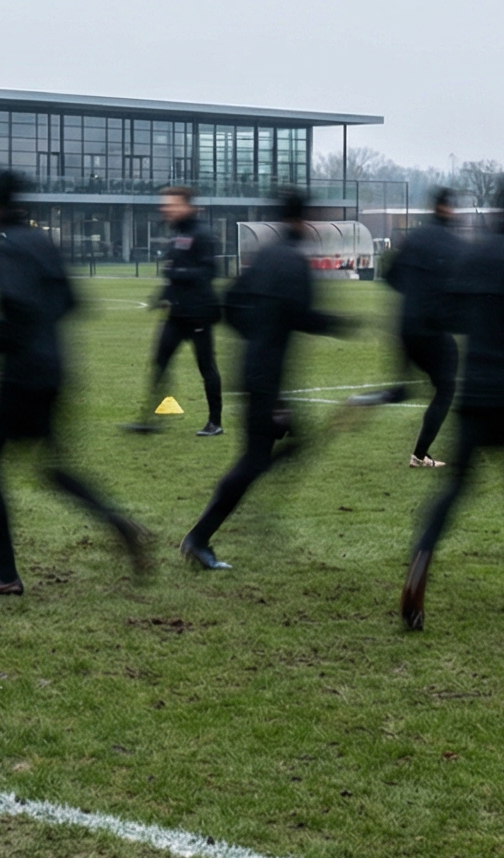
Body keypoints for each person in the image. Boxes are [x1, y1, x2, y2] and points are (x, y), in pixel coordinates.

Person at [0, 170, 150, 595]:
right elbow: (74, 302)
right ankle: (118, 523)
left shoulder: (4, 246)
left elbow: (17, 308)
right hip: (57, 368)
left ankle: (6, 575)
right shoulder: (44, 241)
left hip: (22, 373)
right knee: (54, 469)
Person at [402, 175, 504, 629]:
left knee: (454, 487)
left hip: (473, 387)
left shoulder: (475, 250)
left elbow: (444, 311)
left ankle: (422, 556)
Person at [178, 188, 351, 571]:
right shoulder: (293, 263)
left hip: (257, 371)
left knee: (282, 447)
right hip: (266, 378)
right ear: (299, 221)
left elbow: (230, 304)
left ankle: (225, 514)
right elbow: (302, 317)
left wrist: (256, 338)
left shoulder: (264, 257)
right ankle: (200, 537)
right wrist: (341, 324)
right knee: (255, 461)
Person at [347, 186, 463, 467]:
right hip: (432, 328)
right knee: (445, 389)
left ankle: (366, 399)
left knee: (403, 389)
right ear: (446, 208)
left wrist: (415, 295)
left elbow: (390, 277)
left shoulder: (414, 238)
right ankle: (420, 455)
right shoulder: (454, 243)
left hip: (404, 326)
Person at [121, 186, 225, 437]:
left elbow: (209, 271)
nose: (165, 208)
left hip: (199, 313)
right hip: (176, 314)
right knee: (160, 361)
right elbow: (174, 273)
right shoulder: (177, 234)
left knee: (206, 367)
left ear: (186, 206)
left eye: (171, 204)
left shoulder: (202, 234)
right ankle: (147, 420)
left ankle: (215, 423)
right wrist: (163, 295)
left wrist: (177, 274)